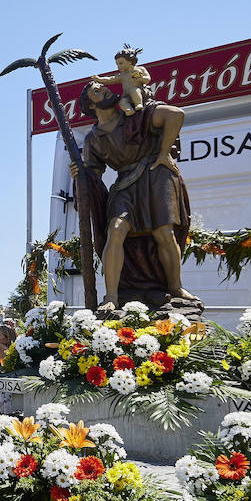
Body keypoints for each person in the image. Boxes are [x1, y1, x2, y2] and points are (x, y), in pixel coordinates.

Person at [69, 79, 194, 311]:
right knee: (115, 230)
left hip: (155, 176)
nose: (105, 89)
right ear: (90, 106)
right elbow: (92, 177)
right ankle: (112, 297)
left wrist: (164, 153)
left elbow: (176, 115)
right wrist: (80, 175)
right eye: (97, 91)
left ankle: (175, 288)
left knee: (164, 233)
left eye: (103, 87)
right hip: (125, 184)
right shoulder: (93, 139)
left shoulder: (137, 116)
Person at [91, 44, 152, 116]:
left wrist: (140, 78)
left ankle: (138, 104)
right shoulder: (122, 75)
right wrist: (99, 79)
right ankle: (128, 109)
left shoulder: (139, 69)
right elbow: (110, 79)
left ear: (129, 61)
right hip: (127, 95)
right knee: (122, 102)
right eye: (117, 64)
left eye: (121, 63)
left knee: (134, 91)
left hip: (141, 91)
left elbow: (147, 79)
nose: (118, 66)